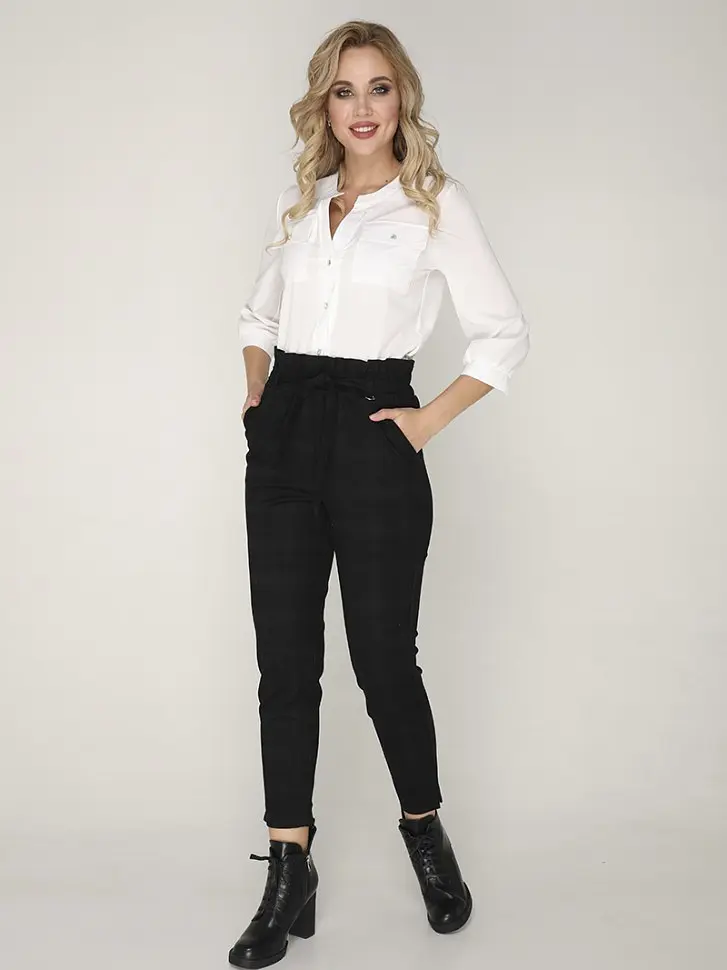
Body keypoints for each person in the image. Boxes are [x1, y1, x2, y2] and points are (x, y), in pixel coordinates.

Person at [228, 19, 530, 969]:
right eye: (344, 90)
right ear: (323, 104)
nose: (361, 108)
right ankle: (288, 869)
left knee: (383, 661)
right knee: (285, 665)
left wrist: (426, 421)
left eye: (379, 88)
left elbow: (502, 333)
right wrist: (258, 391)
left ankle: (424, 834)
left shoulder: (434, 205)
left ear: (403, 99)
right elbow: (257, 315)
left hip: (373, 433)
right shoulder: (300, 203)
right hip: (285, 435)